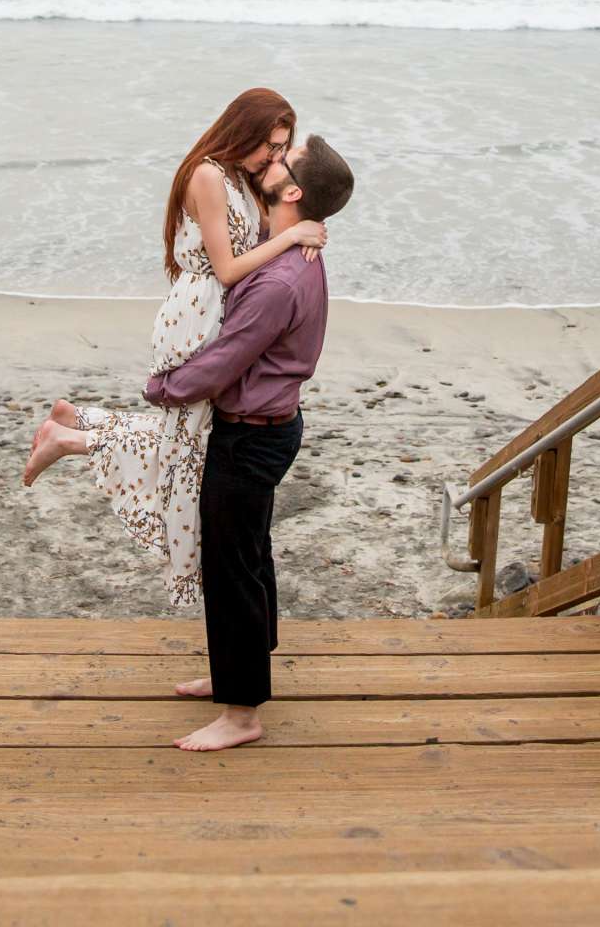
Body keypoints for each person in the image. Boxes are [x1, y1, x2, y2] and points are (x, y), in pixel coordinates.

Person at [20, 89, 325, 606]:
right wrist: (291, 241)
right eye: (270, 146)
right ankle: (72, 436)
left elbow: (263, 237)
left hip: (217, 311)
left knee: (190, 446)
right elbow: (228, 269)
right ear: (243, 131)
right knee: (186, 449)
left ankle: (76, 427)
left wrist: (303, 231)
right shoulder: (207, 175)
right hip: (196, 316)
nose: (272, 159)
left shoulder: (242, 179)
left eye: (281, 150)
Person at [153, 132, 353, 752]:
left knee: (232, 566)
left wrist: (163, 387)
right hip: (268, 427)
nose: (269, 161)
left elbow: (224, 362)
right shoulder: (289, 255)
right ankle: (237, 666)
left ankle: (241, 715)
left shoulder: (276, 281)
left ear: (292, 190)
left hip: (249, 437)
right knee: (250, 554)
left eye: (282, 160)